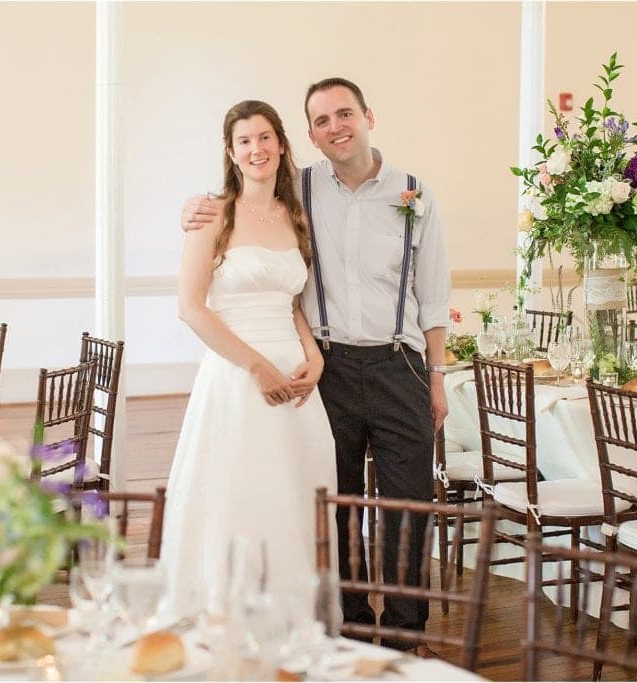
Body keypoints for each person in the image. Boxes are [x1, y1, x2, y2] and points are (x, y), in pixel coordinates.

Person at [182, 78, 450, 651]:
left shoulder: (414, 194)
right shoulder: (299, 191)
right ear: (308, 135)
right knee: (335, 502)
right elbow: (232, 220)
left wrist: (438, 374)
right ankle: (348, 621)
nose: (336, 127)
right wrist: (194, 208)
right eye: (322, 120)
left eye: (344, 114)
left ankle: (405, 631)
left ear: (367, 115)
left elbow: (433, 295)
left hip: (397, 364)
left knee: (410, 501)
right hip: (327, 368)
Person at [161, 100, 337, 617]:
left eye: (265, 137)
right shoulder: (211, 214)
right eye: (244, 141)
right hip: (237, 375)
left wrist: (314, 358)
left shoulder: (293, 215)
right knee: (240, 494)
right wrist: (258, 367)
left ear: (282, 144)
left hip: (298, 382)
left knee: (294, 496)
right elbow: (192, 308)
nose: (256, 149)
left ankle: (291, 617)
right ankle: (228, 615)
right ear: (231, 152)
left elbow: (292, 302)